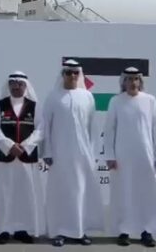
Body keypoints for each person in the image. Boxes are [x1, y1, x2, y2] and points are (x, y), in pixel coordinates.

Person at [42, 59, 105, 247]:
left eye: (75, 72)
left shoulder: (87, 97)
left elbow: (93, 127)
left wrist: (92, 154)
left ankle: (80, 231)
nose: (72, 76)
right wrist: (47, 152)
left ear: (80, 74)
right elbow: (45, 127)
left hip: (82, 155)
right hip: (59, 155)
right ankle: (59, 231)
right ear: (63, 75)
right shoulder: (53, 97)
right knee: (61, 193)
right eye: (68, 72)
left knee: (81, 192)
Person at [104, 66, 156, 248]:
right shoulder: (116, 101)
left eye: (135, 79)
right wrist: (110, 156)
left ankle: (146, 231)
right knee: (123, 193)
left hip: (146, 157)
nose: (132, 82)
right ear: (124, 82)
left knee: (147, 194)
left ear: (140, 81)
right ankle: (123, 231)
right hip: (122, 158)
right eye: (129, 79)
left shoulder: (150, 101)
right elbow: (109, 130)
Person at [0, 71, 45, 244]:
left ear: (25, 86)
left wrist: (25, 146)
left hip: (27, 158)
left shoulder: (35, 107)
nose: (16, 86)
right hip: (6, 157)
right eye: (13, 83)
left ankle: (23, 229)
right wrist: (10, 146)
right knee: (5, 194)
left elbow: (40, 130)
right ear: (8, 85)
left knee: (25, 195)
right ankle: (4, 230)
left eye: (20, 84)